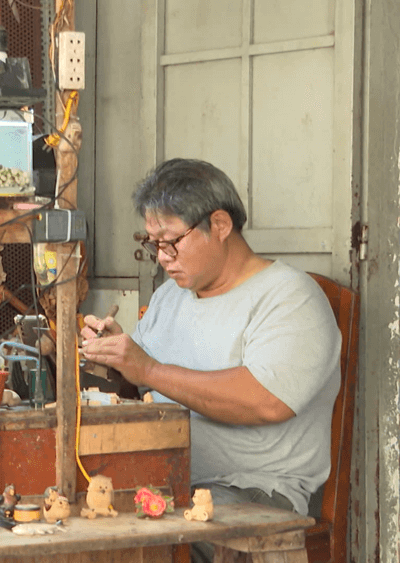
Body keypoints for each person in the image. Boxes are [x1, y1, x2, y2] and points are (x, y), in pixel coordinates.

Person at [80, 158, 340, 562]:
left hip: (251, 491)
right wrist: (114, 359)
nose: (162, 257)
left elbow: (265, 400)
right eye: (153, 243)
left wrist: (147, 367)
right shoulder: (171, 295)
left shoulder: (290, 297)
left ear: (219, 225)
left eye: (171, 241)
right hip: (168, 478)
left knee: (147, 546)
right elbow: (144, 383)